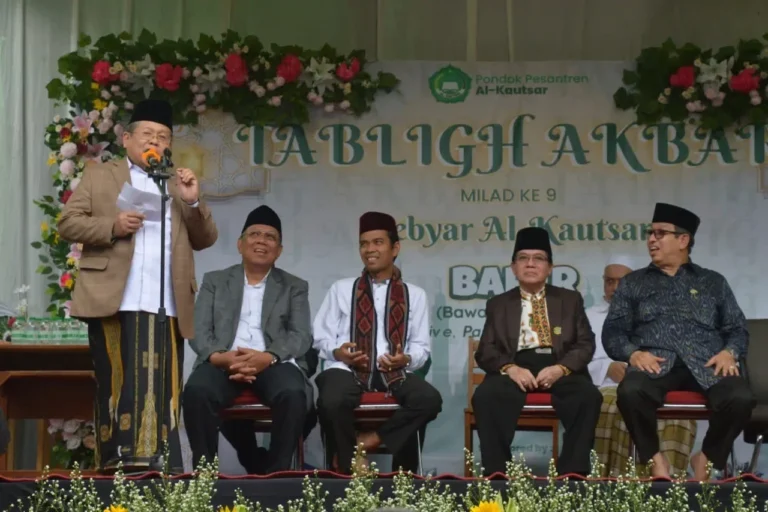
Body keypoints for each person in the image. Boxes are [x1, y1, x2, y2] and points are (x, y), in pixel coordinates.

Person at [58, 99, 218, 472]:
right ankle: (117, 464)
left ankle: (164, 466)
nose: (155, 141)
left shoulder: (177, 182)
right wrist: (112, 226)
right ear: (127, 139)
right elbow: (68, 223)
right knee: (117, 382)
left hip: (167, 300)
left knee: (165, 386)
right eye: (147, 134)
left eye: (163, 136)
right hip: (116, 297)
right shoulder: (101, 175)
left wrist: (193, 202)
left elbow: (205, 238)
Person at [603, 202, 754, 481]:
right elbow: (613, 333)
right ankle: (656, 461)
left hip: (707, 364)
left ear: (683, 240)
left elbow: (737, 328)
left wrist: (729, 352)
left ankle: (706, 458)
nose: (652, 239)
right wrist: (633, 354)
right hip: (655, 364)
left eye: (660, 233)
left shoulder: (713, 282)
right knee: (630, 391)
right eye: (650, 233)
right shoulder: (633, 283)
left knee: (741, 397)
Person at [183, 205, 314, 474]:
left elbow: (300, 335)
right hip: (223, 360)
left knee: (293, 393)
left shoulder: (295, 286)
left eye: (270, 237)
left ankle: (276, 475)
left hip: (273, 361)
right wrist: (220, 357)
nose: (261, 241)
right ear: (240, 244)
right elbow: (198, 328)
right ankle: (205, 479)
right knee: (197, 391)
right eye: (254, 234)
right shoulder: (215, 281)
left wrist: (268, 357)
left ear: (279, 250)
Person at [313, 212, 442, 474]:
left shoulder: (415, 294)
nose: (369, 249)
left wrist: (405, 359)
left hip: (394, 371)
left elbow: (421, 348)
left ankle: (367, 443)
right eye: (364, 243)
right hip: (346, 369)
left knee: (428, 399)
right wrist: (338, 352)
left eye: (378, 242)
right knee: (331, 399)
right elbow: (320, 338)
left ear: (395, 248)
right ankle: (348, 468)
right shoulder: (341, 289)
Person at [473, 227, 601, 476]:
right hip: (515, 366)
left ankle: (572, 476)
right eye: (523, 258)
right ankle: (497, 476)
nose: (530, 264)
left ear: (550, 267)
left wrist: (560, 368)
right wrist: (510, 369)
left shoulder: (570, 299)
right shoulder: (499, 303)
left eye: (538, 258)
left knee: (588, 397)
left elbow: (585, 343)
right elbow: (486, 349)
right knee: (485, 396)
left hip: (559, 365)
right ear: (513, 267)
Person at [588, 255, 697, 477]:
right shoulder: (587, 316)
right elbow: (577, 360)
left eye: (622, 281)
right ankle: (614, 480)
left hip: (651, 384)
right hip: (605, 386)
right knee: (612, 405)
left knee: (671, 410)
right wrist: (606, 368)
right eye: (609, 281)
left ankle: (668, 478)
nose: (615, 288)